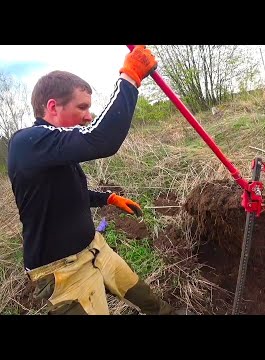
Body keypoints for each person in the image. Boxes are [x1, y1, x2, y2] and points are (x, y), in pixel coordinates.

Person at [7, 45, 187, 315]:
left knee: (141, 294)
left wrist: (107, 199)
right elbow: (101, 138)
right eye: (82, 107)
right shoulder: (27, 142)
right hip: (62, 273)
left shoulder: (52, 148)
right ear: (53, 107)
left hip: (94, 248)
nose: (88, 116)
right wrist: (130, 77)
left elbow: (68, 192)